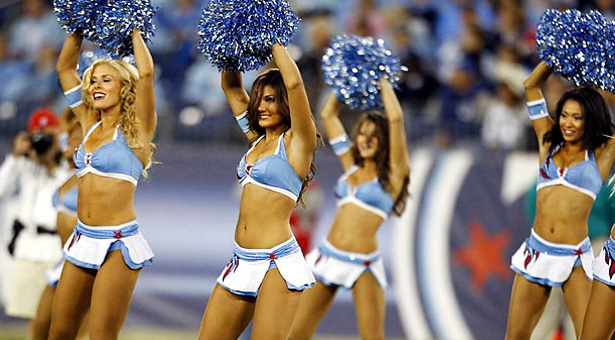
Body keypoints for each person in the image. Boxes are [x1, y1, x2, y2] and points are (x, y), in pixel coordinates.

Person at [197, 43, 318, 340]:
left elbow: (294, 82)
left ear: (286, 103)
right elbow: (230, 84)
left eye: (271, 100)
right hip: (241, 259)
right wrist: (233, 40)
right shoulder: (256, 139)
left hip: (277, 261)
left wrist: (273, 40)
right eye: (259, 100)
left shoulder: (297, 144)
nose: (261, 106)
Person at [49, 29, 157, 340]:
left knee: (101, 335)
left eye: (106, 79)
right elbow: (65, 69)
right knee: (60, 333)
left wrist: (134, 28)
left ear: (125, 87)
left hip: (118, 244)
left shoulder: (137, 132)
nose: (96, 85)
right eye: (94, 80)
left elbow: (147, 74)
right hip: (82, 238)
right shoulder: (88, 122)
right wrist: (77, 27)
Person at [289, 80, 411, 340]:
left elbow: (396, 118)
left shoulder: (393, 176)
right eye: (362, 133)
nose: (365, 140)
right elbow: (327, 114)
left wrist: (381, 81)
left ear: (383, 141)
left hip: (363, 265)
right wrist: (345, 79)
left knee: (372, 337)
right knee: (296, 333)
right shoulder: (351, 163)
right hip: (328, 256)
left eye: (373, 135)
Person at [505, 61, 615, 340]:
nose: (568, 123)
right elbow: (530, 86)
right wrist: (556, 59)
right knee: (516, 336)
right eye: (564, 115)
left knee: (590, 336)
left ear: (589, 119)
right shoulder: (548, 141)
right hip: (537, 250)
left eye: (577, 117)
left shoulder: (601, 154)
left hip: (575, 257)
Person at [0, 108, 68, 339]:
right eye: (36, 133)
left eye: (46, 132)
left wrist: (50, 162)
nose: (41, 139)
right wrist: (15, 156)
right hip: (27, 245)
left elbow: (67, 191)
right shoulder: (23, 160)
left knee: (57, 318)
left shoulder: (65, 159)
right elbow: (1, 188)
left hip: (54, 247)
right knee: (32, 318)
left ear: (57, 132)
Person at [30, 109, 87, 340]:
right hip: (63, 261)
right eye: (67, 138)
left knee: (75, 334)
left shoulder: (96, 175)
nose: (66, 142)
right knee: (39, 329)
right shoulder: (69, 172)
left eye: (74, 140)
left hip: (86, 266)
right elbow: (65, 125)